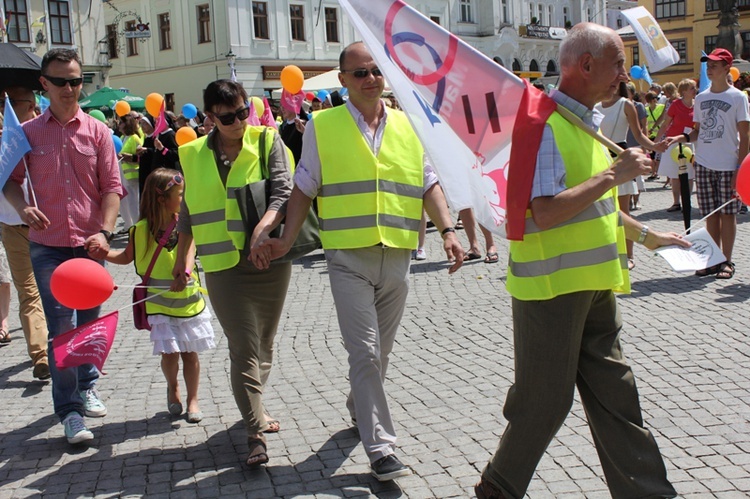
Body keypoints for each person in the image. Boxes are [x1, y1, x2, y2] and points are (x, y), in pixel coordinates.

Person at [474, 23, 687, 499]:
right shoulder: (545, 123)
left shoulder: (579, 120)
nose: (622, 74)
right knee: (543, 402)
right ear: (586, 65)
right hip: (551, 288)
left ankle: (649, 494)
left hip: (591, 283)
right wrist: (616, 173)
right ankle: (498, 488)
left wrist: (650, 236)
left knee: (617, 394)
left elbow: (594, 204)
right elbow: (544, 212)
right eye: (616, 63)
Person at [258, 41, 465, 481]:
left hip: (398, 255)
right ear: (343, 80)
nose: (370, 79)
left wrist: (448, 231)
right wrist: (286, 239)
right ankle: (382, 448)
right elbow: (304, 187)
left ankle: (358, 405)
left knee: (380, 352)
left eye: (375, 71)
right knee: (366, 351)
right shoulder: (322, 125)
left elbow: (429, 184)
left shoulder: (410, 125)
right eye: (360, 73)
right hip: (347, 257)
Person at [3, 48, 123, 444]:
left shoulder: (99, 131)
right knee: (61, 328)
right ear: (44, 85)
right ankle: (69, 410)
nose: (71, 89)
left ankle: (87, 384)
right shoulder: (29, 133)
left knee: (89, 324)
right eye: (62, 82)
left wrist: (105, 233)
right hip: (49, 246)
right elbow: (9, 181)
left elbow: (112, 188)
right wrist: (24, 207)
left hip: (91, 247)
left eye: (76, 81)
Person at [176, 79, 293, 468]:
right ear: (210, 117)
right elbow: (188, 211)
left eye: (243, 112)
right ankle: (254, 433)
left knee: (264, 343)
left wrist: (264, 229)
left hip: (269, 260)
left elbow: (283, 191)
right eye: (228, 117)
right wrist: (182, 259)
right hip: (223, 265)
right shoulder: (190, 153)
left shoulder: (266, 140)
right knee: (243, 345)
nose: (239, 121)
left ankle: (254, 404)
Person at [105, 169, 214, 423]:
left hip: (187, 298)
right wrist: (103, 253)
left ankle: (193, 399)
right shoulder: (140, 229)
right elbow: (125, 257)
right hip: (159, 301)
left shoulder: (186, 224)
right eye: (180, 194)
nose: (184, 199)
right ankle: (173, 386)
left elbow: (189, 253)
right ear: (161, 199)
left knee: (190, 352)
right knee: (170, 353)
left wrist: (184, 272)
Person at [666, 48, 750, 279]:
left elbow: (745, 136)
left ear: (726, 68)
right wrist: (681, 138)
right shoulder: (701, 98)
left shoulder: (738, 97)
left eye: (715, 64)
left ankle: (727, 261)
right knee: (710, 214)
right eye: (708, 64)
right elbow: (698, 132)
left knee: (728, 214)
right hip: (703, 163)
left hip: (729, 164)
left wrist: (739, 170)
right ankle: (713, 260)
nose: (710, 68)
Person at [0, 88, 50, 379]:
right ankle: (40, 354)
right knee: (29, 291)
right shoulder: (7, 140)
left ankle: (57, 343)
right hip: (12, 226)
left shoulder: (41, 134)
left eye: (9, 103)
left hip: (47, 225)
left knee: (54, 289)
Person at [596, 81, 666, 270]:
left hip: (620, 158)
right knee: (603, 211)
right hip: (600, 160)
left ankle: (629, 255)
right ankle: (608, 254)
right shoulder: (595, 106)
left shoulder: (626, 104)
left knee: (623, 211)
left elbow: (639, 134)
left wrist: (654, 146)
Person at [655, 79, 697, 213]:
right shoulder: (675, 104)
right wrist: (656, 141)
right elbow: (666, 123)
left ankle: (687, 201)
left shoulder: (698, 105)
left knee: (689, 174)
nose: (695, 90)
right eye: (692, 88)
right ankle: (676, 202)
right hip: (674, 143)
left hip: (690, 143)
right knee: (675, 174)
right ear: (683, 91)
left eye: (695, 87)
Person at [137, 114, 180, 195]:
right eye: (155, 121)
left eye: (158, 120)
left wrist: (162, 149)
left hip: (167, 175)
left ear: (165, 122)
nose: (156, 123)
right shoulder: (159, 135)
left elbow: (175, 155)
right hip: (158, 175)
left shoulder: (170, 135)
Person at [117, 114, 143, 230]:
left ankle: (138, 226)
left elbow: (141, 157)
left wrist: (130, 157)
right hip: (123, 174)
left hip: (133, 174)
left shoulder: (134, 138)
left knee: (135, 203)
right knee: (127, 202)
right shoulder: (122, 138)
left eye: (121, 122)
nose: (119, 125)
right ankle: (131, 225)